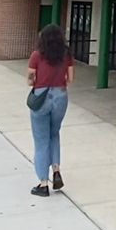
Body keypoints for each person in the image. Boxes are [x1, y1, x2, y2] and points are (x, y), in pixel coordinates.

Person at [27, 24, 73, 196]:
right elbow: (71, 78)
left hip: (41, 96)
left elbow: (30, 80)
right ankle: (56, 170)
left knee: (41, 140)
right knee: (54, 133)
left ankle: (43, 183)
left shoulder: (37, 55)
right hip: (61, 96)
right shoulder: (66, 55)